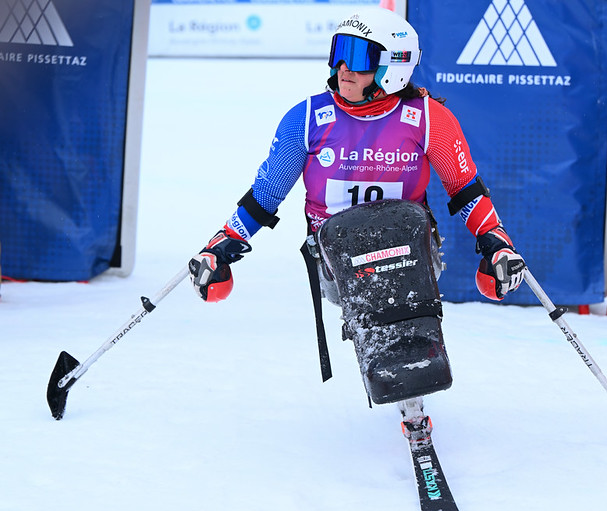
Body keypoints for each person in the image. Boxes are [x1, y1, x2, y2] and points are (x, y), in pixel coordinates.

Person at [187, 7, 526, 407]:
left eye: (359, 57)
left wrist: (497, 244)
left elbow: (465, 190)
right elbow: (265, 195)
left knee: (403, 243)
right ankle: (401, 376)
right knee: (360, 261)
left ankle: (414, 383)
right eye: (339, 53)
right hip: (338, 265)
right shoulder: (307, 119)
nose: (344, 68)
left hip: (411, 260)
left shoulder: (428, 119)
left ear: (392, 67)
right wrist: (220, 247)